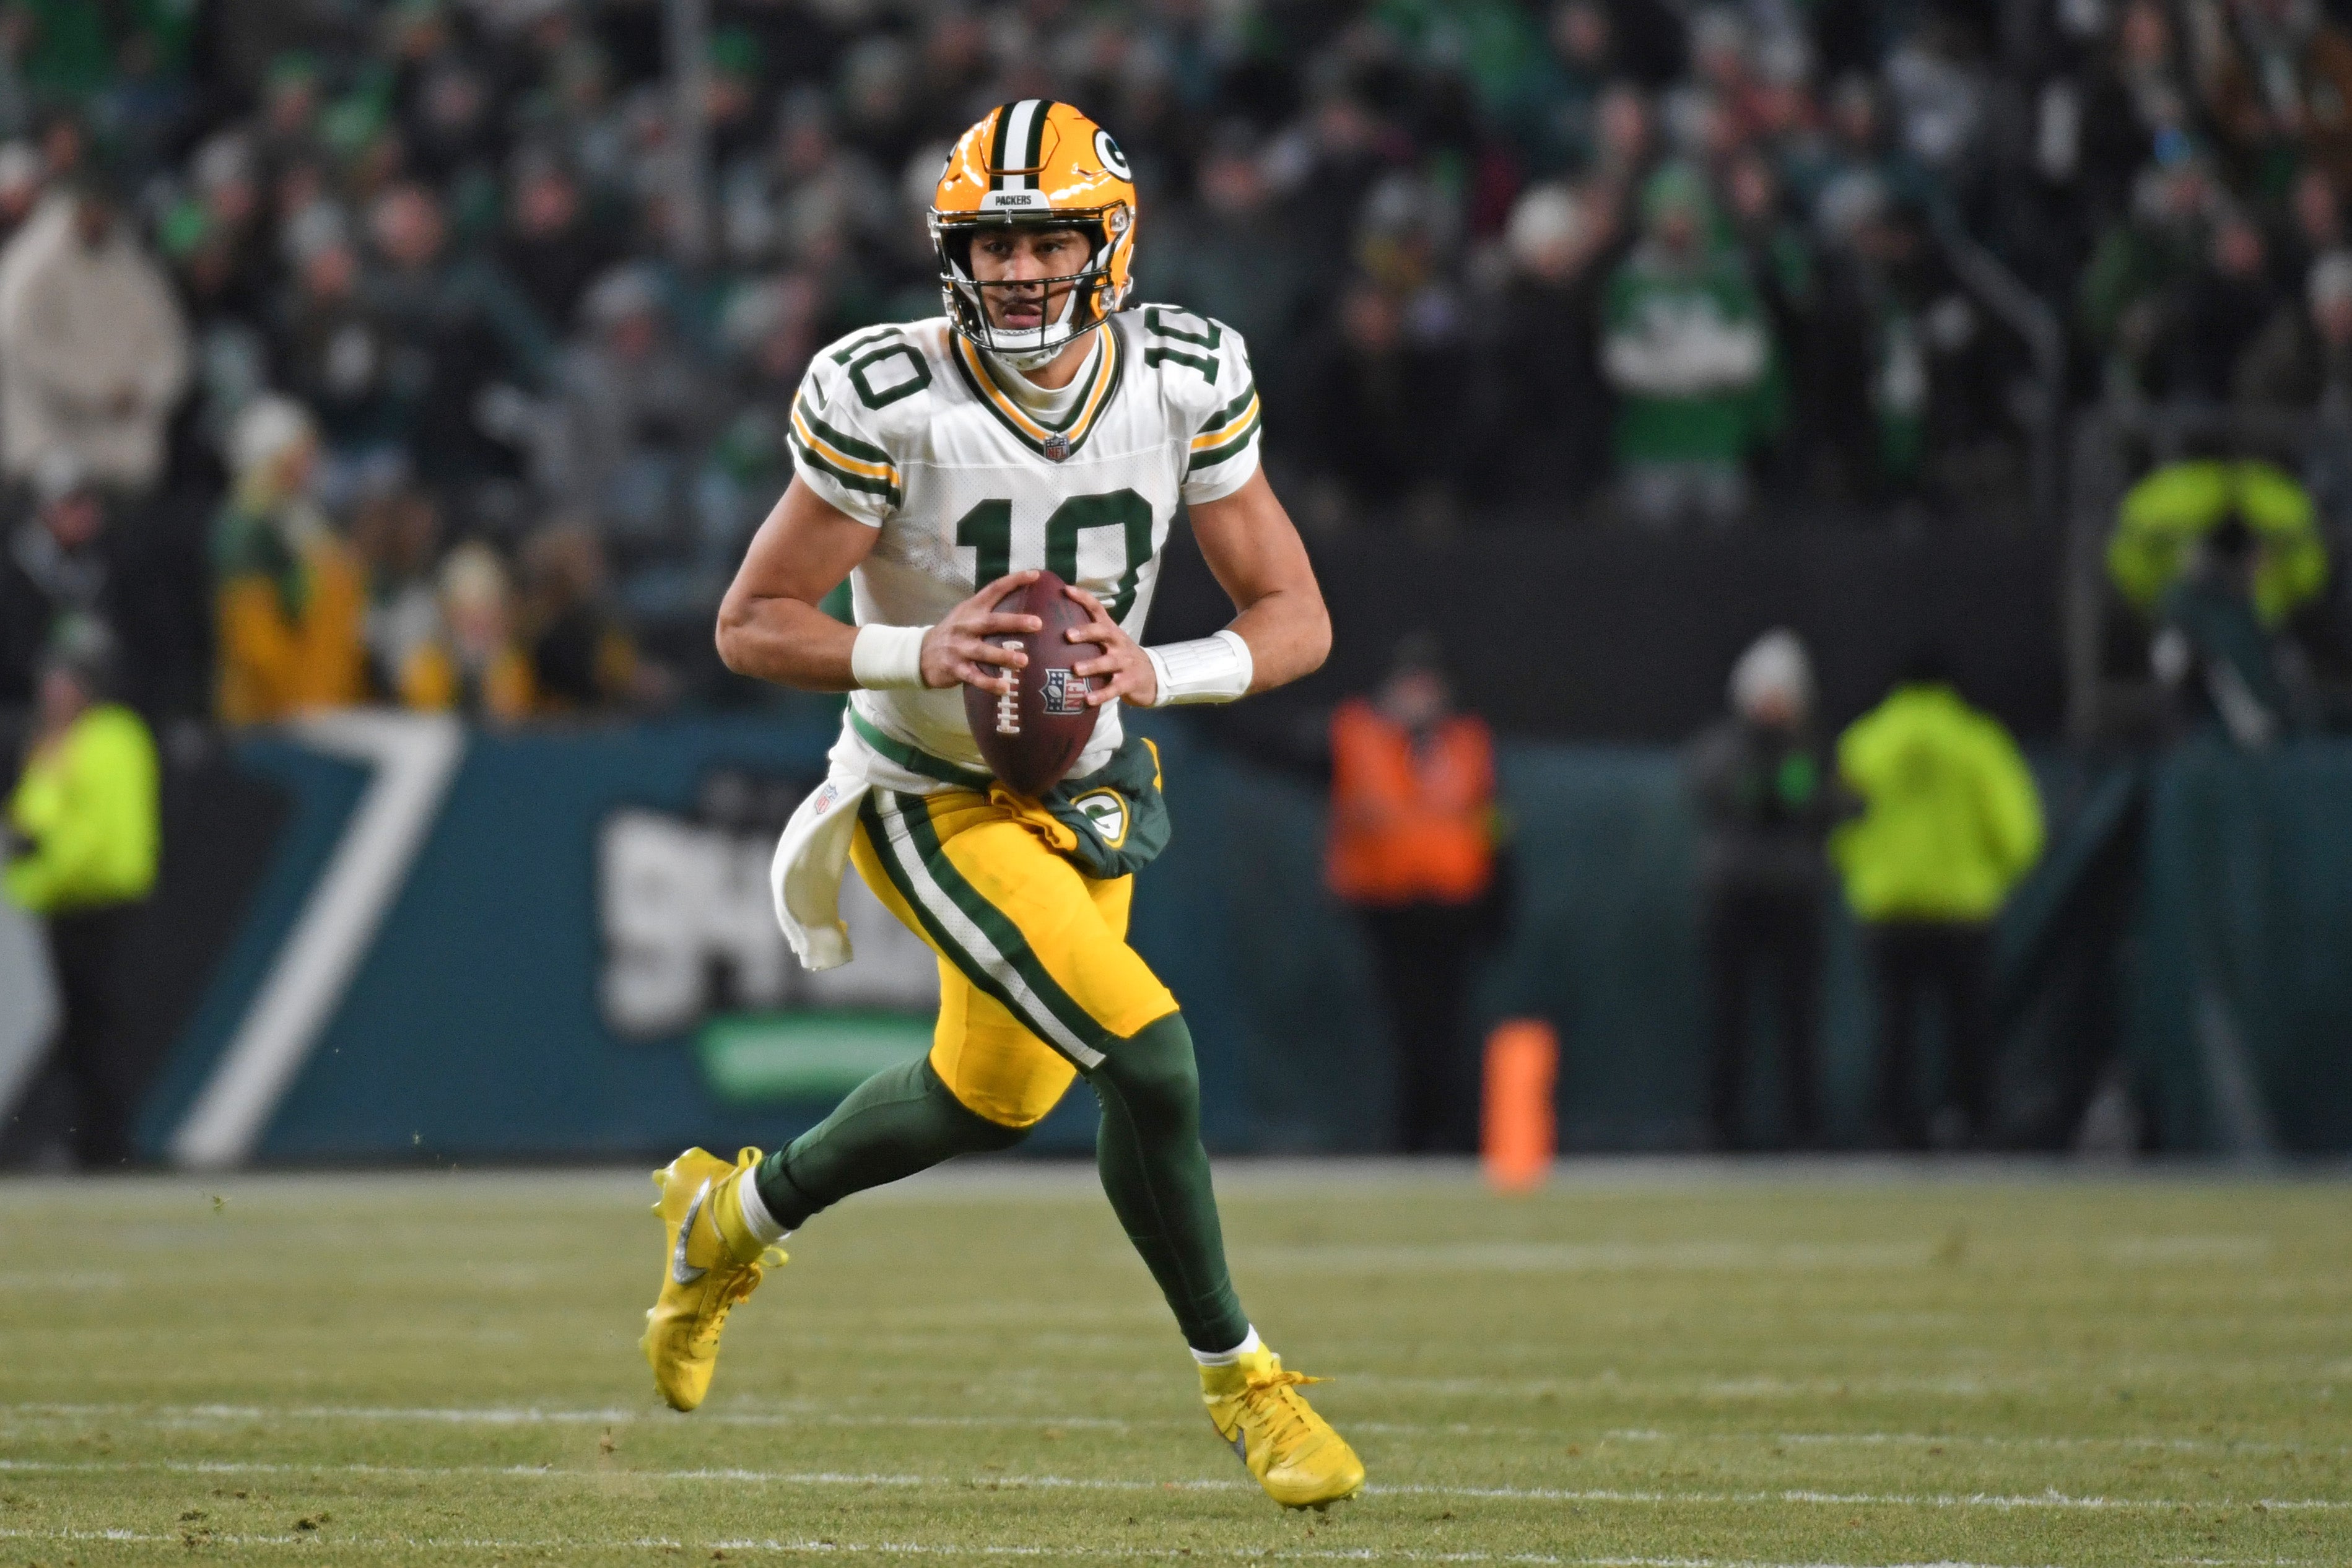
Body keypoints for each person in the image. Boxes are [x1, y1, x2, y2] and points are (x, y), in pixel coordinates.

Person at [637, 102, 1362, 1513]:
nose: (1021, 270)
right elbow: (748, 621)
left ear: (1111, 239)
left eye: (1045, 238)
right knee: (1145, 1051)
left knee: (994, 1089)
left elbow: (1295, 613)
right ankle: (1244, 1379)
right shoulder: (887, 394)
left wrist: (1164, 665)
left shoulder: (1184, 374)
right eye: (992, 243)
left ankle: (724, 1218)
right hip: (928, 788)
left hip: (1086, 776)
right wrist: (921, 647)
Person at [1832, 658, 2044, 1151]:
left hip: (1889, 908)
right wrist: (1992, 878)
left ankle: (1891, 1131)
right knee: (1968, 1029)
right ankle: (1973, 1126)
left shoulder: (1867, 742)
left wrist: (1867, 875)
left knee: (1894, 1031)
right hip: (1962, 908)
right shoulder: (1977, 741)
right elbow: (2018, 831)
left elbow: (1838, 824)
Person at [1325, 635, 1500, 1154]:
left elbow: (1491, 823)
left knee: (1450, 1025)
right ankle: (1405, 1135)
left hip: (1454, 907)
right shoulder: (1359, 734)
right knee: (1398, 1025)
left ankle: (1453, 1134)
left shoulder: (1467, 741)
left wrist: (1497, 898)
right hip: (1385, 906)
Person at [3, 621, 159, 1168]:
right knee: (75, 1030)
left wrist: (31, 882)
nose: (52, 690)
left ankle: (108, 1143)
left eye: (63, 679)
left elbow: (91, 839)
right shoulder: (58, 741)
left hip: (99, 903)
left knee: (99, 1028)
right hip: (65, 904)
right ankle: (89, 1141)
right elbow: (29, 821)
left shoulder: (113, 736)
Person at [1686, 630, 1837, 1151]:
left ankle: (1805, 1127)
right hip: (1736, 898)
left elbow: (1829, 804)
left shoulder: (1813, 750)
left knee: (1800, 1021)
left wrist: (1796, 791)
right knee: (1728, 1019)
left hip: (1796, 897)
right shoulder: (1725, 747)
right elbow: (1728, 793)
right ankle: (1720, 1126)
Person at [1600, 162, 1770, 529]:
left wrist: (1669, 364)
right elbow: (1623, 365)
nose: (1677, 224)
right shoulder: (1631, 281)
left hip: (1718, 443)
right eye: (1668, 214)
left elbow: (1747, 361)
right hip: (1651, 445)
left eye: (1685, 213)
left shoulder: (1727, 279)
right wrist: (1703, 366)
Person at [0, 174, 189, 497]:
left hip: (122, 455)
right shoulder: (33, 264)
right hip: (50, 446)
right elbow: (22, 345)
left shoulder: (131, 266)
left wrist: (144, 390)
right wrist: (98, 391)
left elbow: (168, 347)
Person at [211, 396, 368, 724]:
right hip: (275, 704)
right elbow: (253, 634)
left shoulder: (301, 517)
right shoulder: (248, 526)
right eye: (300, 454)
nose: (312, 463)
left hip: (323, 693)